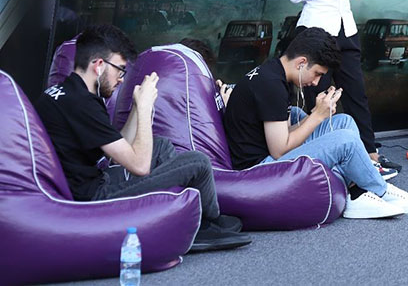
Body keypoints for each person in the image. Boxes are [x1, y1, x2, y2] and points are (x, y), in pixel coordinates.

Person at [35, 25, 250, 251]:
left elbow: (118, 150)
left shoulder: (66, 93)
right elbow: (139, 165)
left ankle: (181, 215)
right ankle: (204, 225)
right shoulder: (82, 104)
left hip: (91, 183)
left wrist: (137, 108)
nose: (121, 79)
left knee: (161, 146)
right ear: (99, 65)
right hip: (93, 199)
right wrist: (147, 110)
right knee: (198, 162)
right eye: (120, 70)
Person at [222, 27, 408, 219]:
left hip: (268, 155)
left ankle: (355, 192)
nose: (316, 82)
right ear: (301, 63)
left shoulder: (274, 73)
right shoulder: (271, 85)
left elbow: (283, 133)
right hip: (260, 171)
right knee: (345, 140)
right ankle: (379, 189)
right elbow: (279, 150)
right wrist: (317, 116)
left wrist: (314, 114)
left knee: (344, 122)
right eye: (317, 74)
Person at [288, 0, 399, 180]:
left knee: (356, 93)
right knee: (318, 98)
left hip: (345, 27)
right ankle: (318, 160)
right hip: (316, 31)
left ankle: (371, 156)